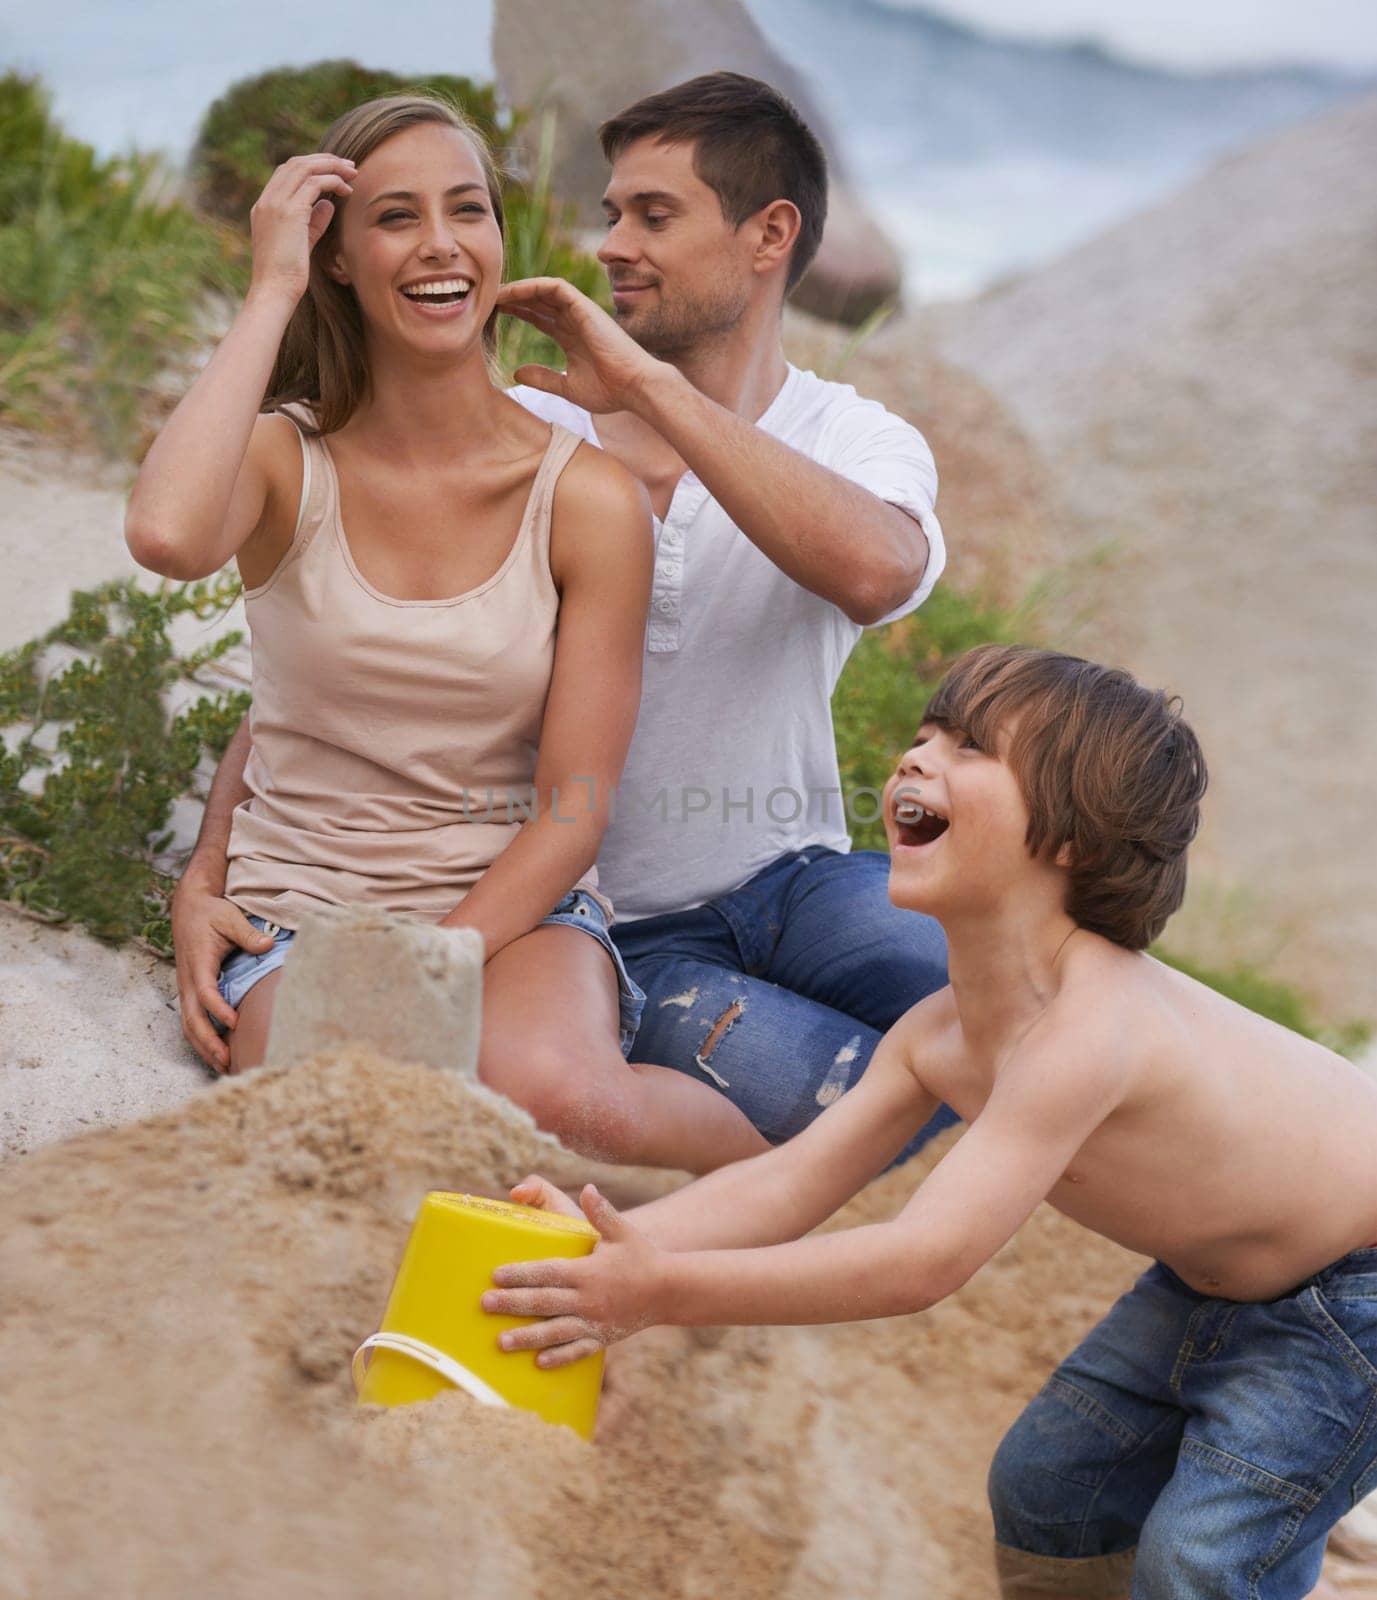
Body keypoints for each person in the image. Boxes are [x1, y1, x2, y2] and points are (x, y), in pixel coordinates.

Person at [484, 644, 1377, 1599]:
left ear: (1074, 840)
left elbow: (921, 1262)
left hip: (1357, 1290)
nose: (916, 759)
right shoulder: (937, 1032)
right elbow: (787, 1183)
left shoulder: (1090, 1029)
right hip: (1218, 1281)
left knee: (1202, 1559)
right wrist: (599, 1247)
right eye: (923, 736)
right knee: (1049, 1495)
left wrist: (659, 1290)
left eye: (972, 749)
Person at [174, 72, 957, 1160]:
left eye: (653, 215)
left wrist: (644, 388)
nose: (612, 246)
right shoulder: (526, 419)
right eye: (611, 214)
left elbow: (874, 570)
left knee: (1026, 1003)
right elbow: (346, 680)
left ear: (768, 234)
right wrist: (205, 874)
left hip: (795, 879)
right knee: (894, 1104)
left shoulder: (852, 437)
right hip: (622, 926)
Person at [125, 93, 771, 1173]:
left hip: (516, 909)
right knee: (334, 1114)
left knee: (570, 1105)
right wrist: (270, 285)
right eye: (393, 217)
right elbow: (165, 534)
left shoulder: (587, 496)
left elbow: (575, 808)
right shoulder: (286, 461)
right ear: (337, 256)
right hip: (298, 916)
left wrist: (432, 965)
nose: (440, 245)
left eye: (467, 209)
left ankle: (814, 1197)